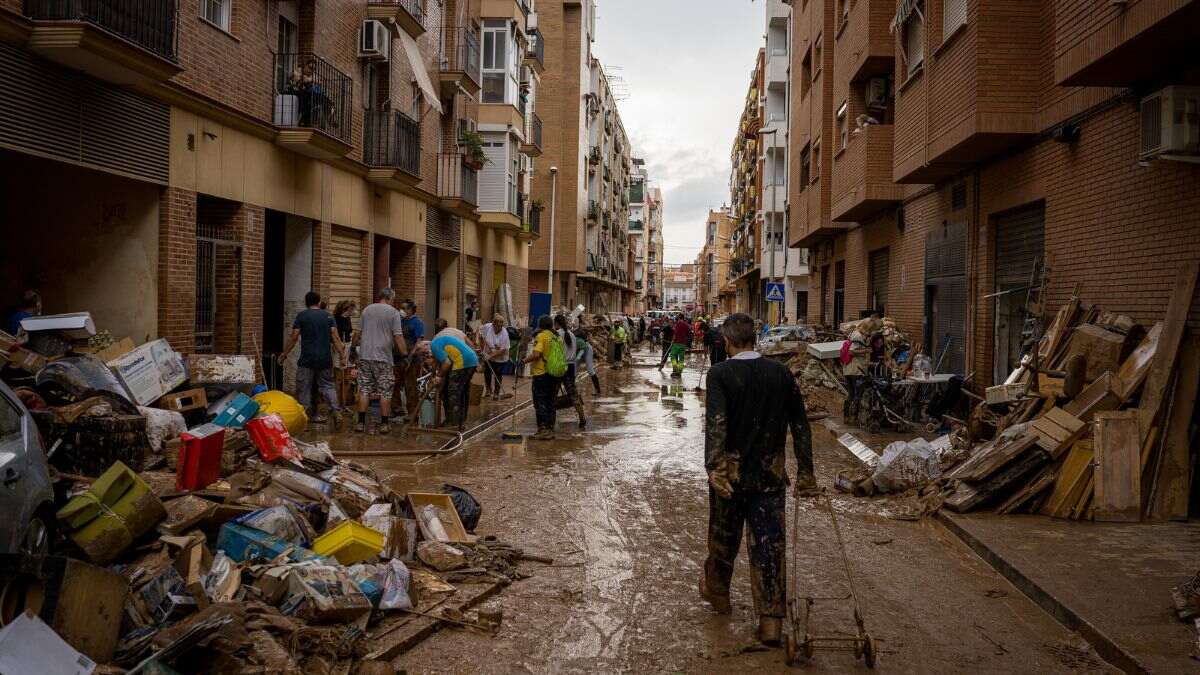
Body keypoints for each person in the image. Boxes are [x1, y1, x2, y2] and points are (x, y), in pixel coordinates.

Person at [700, 313, 815, 646]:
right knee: (769, 548)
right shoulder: (781, 374)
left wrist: (714, 467)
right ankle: (771, 625)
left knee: (722, 543)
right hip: (770, 478)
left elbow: (716, 424)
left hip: (730, 479)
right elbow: (801, 426)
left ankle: (719, 598)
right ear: (755, 339)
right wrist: (806, 473)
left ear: (727, 342)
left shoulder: (720, 374)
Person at [279, 291, 345, 427]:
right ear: (319, 302)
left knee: (304, 388)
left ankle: (304, 418)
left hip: (307, 360)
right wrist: (342, 356)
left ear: (306, 302)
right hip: (325, 359)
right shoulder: (328, 316)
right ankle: (336, 411)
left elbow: (294, 337)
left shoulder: (302, 316)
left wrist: (284, 353)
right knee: (328, 386)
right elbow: (336, 337)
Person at [353, 288, 407, 434]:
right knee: (385, 391)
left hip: (365, 355)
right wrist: (405, 354)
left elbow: (357, 333)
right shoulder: (393, 313)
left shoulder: (367, 310)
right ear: (390, 298)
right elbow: (398, 336)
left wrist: (353, 348)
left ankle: (360, 423)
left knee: (364, 389)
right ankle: (384, 424)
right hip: (383, 357)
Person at [522, 315, 561, 440]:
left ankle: (542, 429)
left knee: (540, 402)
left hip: (541, 374)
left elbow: (536, 355)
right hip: (555, 373)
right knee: (551, 401)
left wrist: (524, 361)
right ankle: (550, 428)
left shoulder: (541, 336)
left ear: (541, 325)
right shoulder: (556, 337)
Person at [430, 331, 479, 430]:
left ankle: (453, 423)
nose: (425, 358)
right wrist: (432, 374)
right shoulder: (438, 344)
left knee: (453, 393)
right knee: (462, 392)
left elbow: (447, 363)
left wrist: (439, 376)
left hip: (462, 362)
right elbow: (436, 361)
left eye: (425, 357)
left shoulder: (434, 346)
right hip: (472, 360)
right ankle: (461, 421)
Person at [842, 316, 877, 421]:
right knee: (857, 394)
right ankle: (853, 417)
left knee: (851, 394)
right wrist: (866, 351)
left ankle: (847, 416)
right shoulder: (858, 336)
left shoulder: (854, 334)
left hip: (849, 369)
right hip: (856, 370)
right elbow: (851, 351)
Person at [555, 314, 588, 429]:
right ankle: (582, 418)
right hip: (570, 367)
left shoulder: (557, 334)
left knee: (552, 394)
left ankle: (550, 421)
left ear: (556, 324)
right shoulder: (572, 335)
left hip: (560, 366)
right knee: (573, 394)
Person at [479, 314, 512, 400]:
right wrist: (481, 346)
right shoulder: (487, 327)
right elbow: (479, 333)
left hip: (501, 358)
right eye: (498, 325)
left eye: (501, 325)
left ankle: (496, 393)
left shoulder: (504, 334)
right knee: (487, 373)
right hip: (488, 353)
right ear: (493, 324)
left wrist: (490, 356)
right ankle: (488, 390)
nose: (500, 327)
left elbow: (503, 350)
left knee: (498, 373)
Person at [575, 327, 601, 395]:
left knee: (590, 369)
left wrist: (578, 357)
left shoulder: (576, 340)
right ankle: (573, 392)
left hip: (586, 349)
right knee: (574, 371)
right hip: (578, 350)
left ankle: (598, 390)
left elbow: (584, 347)